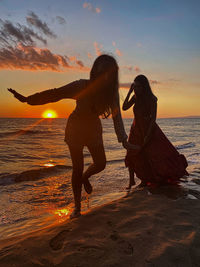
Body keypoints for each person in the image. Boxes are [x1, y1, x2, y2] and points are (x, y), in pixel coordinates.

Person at [8, 54, 137, 218]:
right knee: (77, 168)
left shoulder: (112, 94)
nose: (104, 74)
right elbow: (56, 94)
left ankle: (85, 177)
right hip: (75, 128)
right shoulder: (81, 85)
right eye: (101, 69)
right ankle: (77, 207)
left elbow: (117, 117)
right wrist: (28, 100)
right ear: (95, 71)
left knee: (101, 163)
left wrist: (123, 140)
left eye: (108, 71)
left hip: (93, 129)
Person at [122, 74, 188, 189]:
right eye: (135, 86)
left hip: (149, 129)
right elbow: (124, 107)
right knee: (131, 153)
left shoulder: (152, 99)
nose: (136, 89)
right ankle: (131, 181)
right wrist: (129, 92)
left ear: (144, 86)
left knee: (150, 155)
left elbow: (153, 119)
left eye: (138, 86)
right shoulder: (135, 97)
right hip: (136, 129)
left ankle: (146, 180)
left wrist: (147, 135)